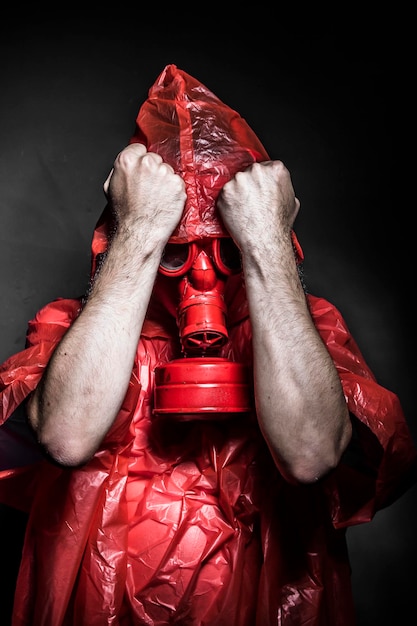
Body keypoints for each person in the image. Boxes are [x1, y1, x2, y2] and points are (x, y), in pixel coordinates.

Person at [0, 63, 416, 626]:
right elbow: (68, 435)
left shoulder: (305, 330)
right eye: (178, 250)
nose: (201, 278)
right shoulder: (74, 330)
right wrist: (141, 232)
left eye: (225, 250)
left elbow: (312, 454)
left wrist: (265, 244)